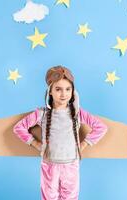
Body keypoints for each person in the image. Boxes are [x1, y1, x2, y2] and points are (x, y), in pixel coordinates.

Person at [13, 65, 108, 200]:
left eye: (68, 89)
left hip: (71, 165)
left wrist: (83, 145)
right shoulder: (42, 114)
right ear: (50, 91)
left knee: (70, 197)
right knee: (49, 197)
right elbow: (19, 127)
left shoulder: (77, 113)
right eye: (58, 89)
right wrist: (36, 144)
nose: (64, 94)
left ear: (73, 92)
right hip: (49, 165)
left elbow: (101, 127)